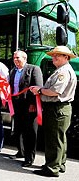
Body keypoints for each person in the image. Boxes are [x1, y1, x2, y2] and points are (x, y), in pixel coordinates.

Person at [30, 46, 77, 177]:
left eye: (58, 55)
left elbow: (54, 92)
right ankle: (59, 164)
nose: (54, 57)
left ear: (66, 57)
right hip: (60, 108)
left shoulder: (63, 72)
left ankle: (52, 168)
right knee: (60, 138)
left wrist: (39, 90)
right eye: (53, 55)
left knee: (53, 139)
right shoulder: (62, 70)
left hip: (57, 108)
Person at [9, 51, 43, 167]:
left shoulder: (34, 69)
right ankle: (21, 152)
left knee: (30, 132)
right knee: (18, 130)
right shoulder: (13, 71)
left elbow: (38, 87)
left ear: (25, 58)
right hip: (16, 104)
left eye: (17, 57)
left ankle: (29, 158)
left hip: (29, 106)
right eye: (14, 58)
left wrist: (34, 104)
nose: (15, 60)